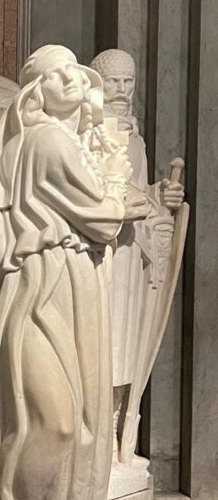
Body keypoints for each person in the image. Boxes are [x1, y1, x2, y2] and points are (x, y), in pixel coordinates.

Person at [0, 44, 148, 500]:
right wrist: (124, 202)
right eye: (56, 75)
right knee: (54, 421)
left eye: (75, 71)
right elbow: (102, 217)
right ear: (35, 92)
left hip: (66, 283)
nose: (72, 79)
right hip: (47, 282)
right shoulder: (49, 140)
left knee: (44, 420)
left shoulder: (53, 141)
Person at [90, 49, 185, 463]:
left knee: (120, 347)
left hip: (127, 254)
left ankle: (112, 440)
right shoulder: (85, 134)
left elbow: (140, 200)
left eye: (128, 83)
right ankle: (88, 443)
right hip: (94, 256)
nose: (122, 91)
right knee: (92, 347)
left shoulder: (136, 140)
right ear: (95, 83)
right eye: (113, 82)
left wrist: (163, 198)